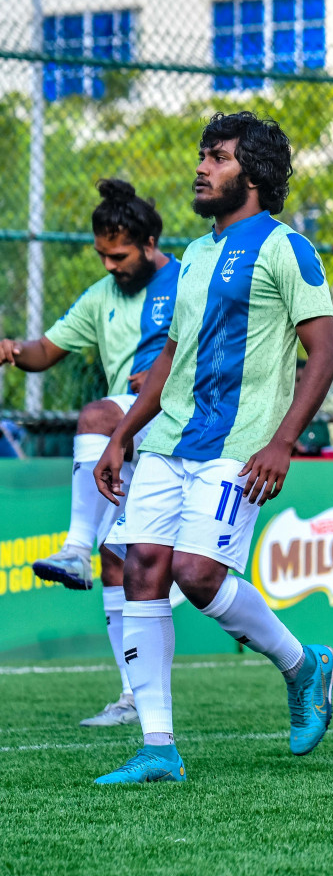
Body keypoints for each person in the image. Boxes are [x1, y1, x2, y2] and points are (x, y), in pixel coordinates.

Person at [90, 111, 333, 784]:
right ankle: (157, 747)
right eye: (203, 155)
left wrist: (284, 442)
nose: (202, 167)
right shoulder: (196, 255)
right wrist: (123, 434)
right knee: (142, 565)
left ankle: (303, 665)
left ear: (253, 176)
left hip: (241, 445)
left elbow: (325, 351)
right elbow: (171, 356)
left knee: (196, 574)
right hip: (171, 440)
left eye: (219, 157)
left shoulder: (289, 249)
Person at [0, 179, 179, 728]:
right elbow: (44, 352)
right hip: (137, 427)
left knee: (97, 416)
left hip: (182, 425)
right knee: (120, 560)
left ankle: (74, 546)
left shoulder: (188, 279)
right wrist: (10, 350)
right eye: (101, 255)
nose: (108, 265)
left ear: (149, 243)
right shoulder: (101, 297)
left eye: (118, 255)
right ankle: (131, 698)